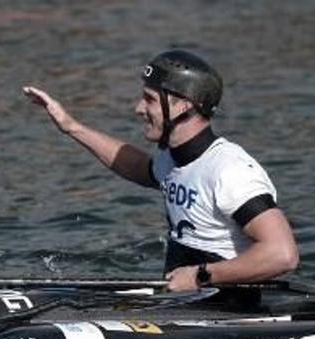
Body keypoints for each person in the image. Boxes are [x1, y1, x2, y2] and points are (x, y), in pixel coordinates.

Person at [23, 49, 298, 292]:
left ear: (183, 104)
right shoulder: (171, 156)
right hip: (184, 299)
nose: (138, 108)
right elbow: (140, 168)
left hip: (229, 308)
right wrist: (72, 126)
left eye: (149, 99)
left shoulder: (230, 170)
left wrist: (200, 277)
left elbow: (281, 254)